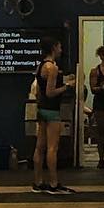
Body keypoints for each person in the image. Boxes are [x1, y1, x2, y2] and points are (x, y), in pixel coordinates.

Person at [33, 39, 74, 195]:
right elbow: (50, 93)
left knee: (39, 147)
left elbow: (39, 92)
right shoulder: (52, 68)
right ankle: (53, 183)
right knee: (52, 148)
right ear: (54, 48)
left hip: (42, 109)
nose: (61, 50)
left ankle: (38, 182)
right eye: (59, 46)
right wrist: (68, 86)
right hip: (52, 110)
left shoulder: (40, 66)